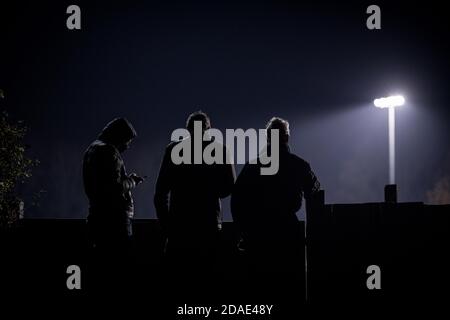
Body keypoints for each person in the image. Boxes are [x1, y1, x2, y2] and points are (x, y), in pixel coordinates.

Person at [231, 117, 320, 300]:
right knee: (289, 291)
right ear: (286, 138)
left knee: (260, 290)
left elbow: (237, 200)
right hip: (288, 233)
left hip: (258, 235)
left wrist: (243, 231)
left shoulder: (253, 166)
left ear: (268, 138)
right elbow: (315, 194)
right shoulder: (299, 164)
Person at [154, 111, 235, 278]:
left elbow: (160, 193)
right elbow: (228, 187)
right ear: (208, 128)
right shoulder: (220, 150)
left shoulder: (173, 150)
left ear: (187, 129)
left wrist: (167, 225)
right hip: (208, 225)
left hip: (179, 226)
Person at [82, 117, 144, 291]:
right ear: (119, 136)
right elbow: (115, 188)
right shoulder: (109, 152)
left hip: (96, 217)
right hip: (115, 222)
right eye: (127, 141)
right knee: (120, 270)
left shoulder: (91, 150)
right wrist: (131, 181)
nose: (127, 146)